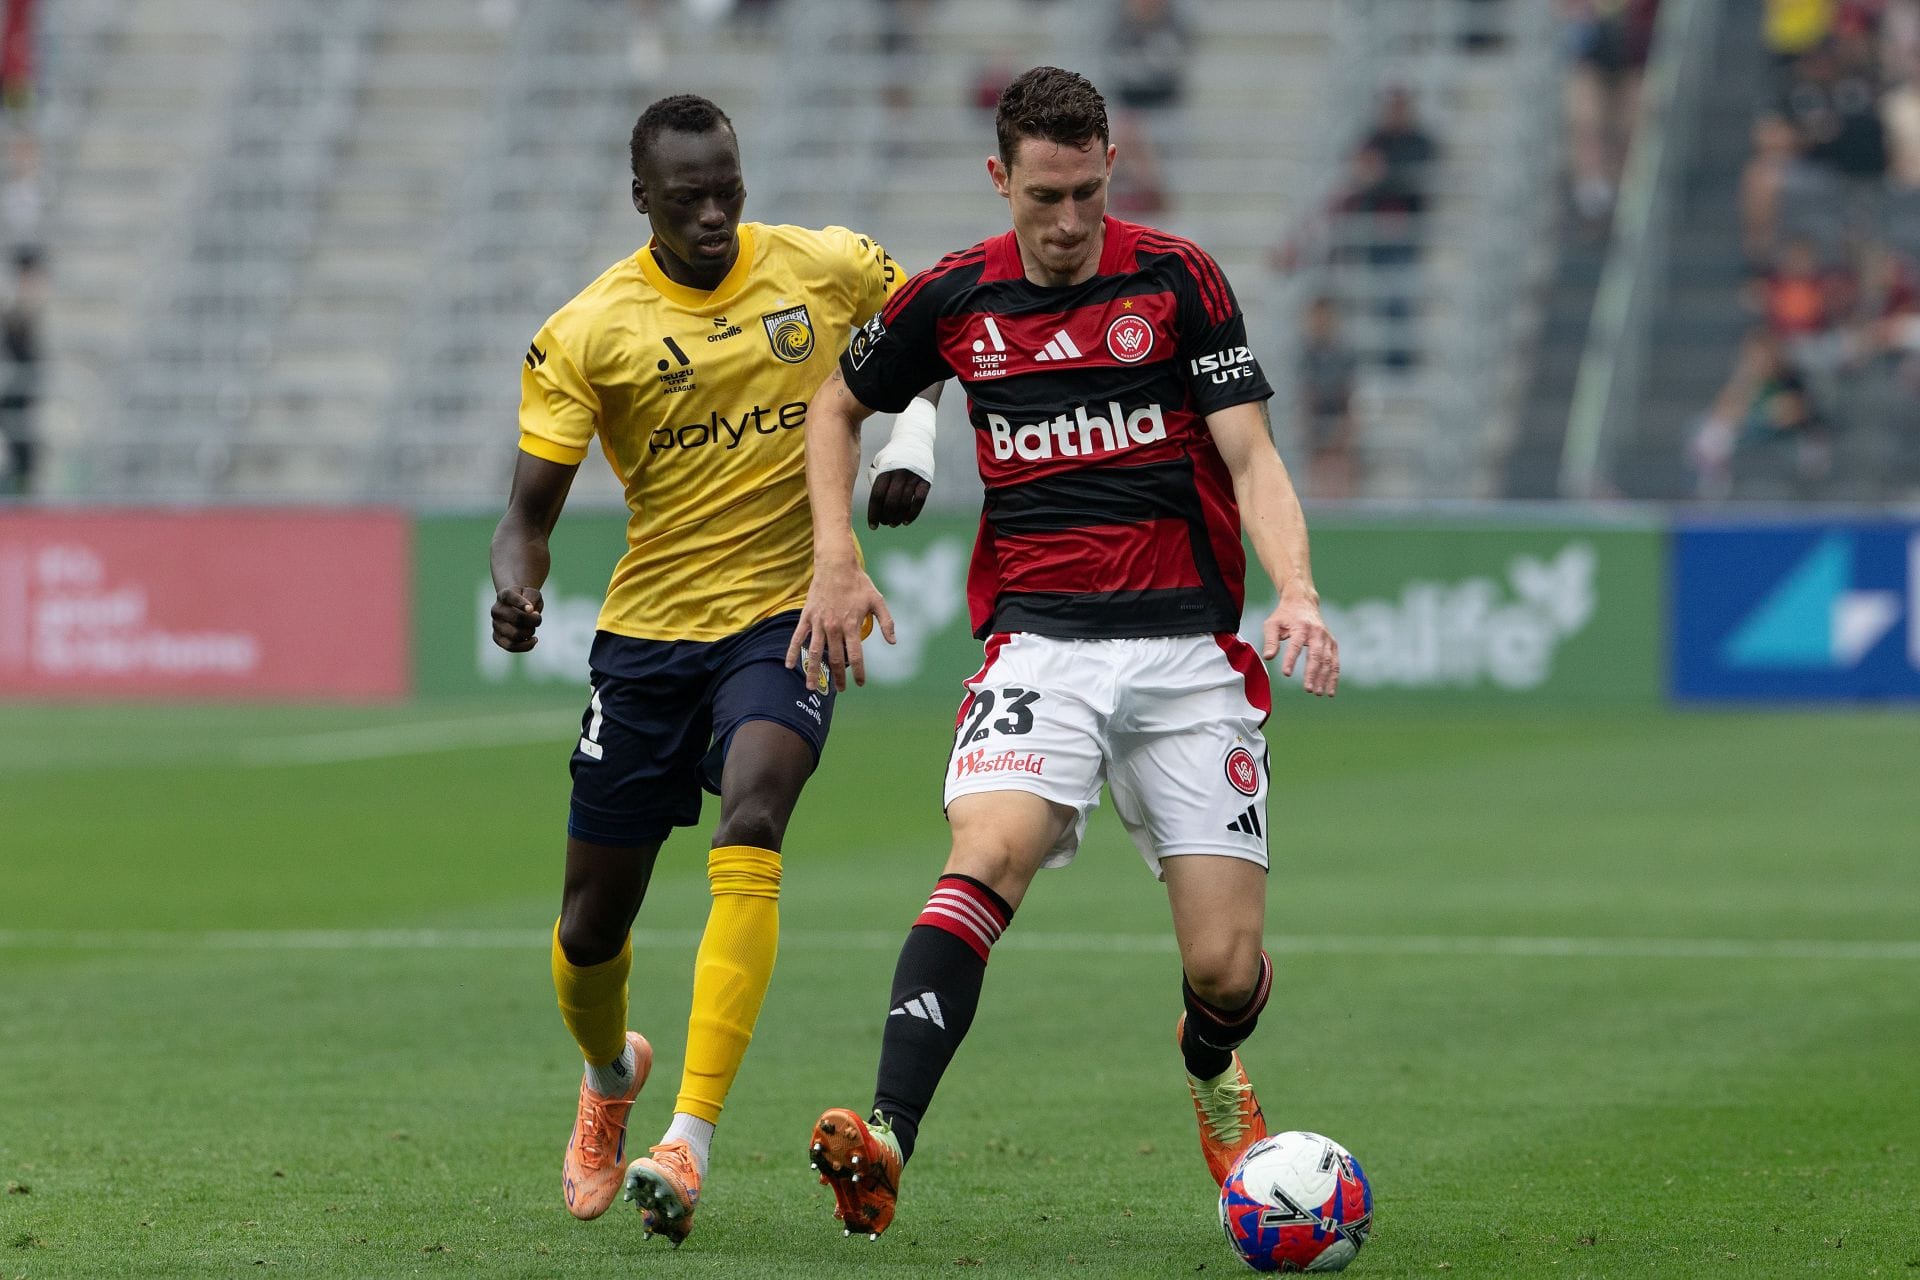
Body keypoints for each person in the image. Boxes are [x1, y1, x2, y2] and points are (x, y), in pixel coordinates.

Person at [785, 65, 1340, 1240]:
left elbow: (1251, 456)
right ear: (1002, 179)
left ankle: (1212, 1068)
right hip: (1040, 647)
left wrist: (1297, 589)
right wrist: (835, 559)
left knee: (1226, 970)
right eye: (1047, 197)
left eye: (1089, 192)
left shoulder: (1179, 279)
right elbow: (835, 404)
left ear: (1110, 171)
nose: (1073, 221)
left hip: (1189, 656)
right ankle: (887, 1134)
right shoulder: (953, 298)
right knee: (988, 853)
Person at [490, 92, 938, 1244]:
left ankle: (686, 1138)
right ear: (641, 198)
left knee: (755, 818)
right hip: (648, 642)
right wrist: (519, 582)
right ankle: (608, 1077)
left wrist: (912, 434)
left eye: (726, 189)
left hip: (789, 617)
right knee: (592, 924)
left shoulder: (821, 268)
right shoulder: (591, 329)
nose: (712, 213)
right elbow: (526, 514)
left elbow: (930, 324)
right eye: (686, 197)